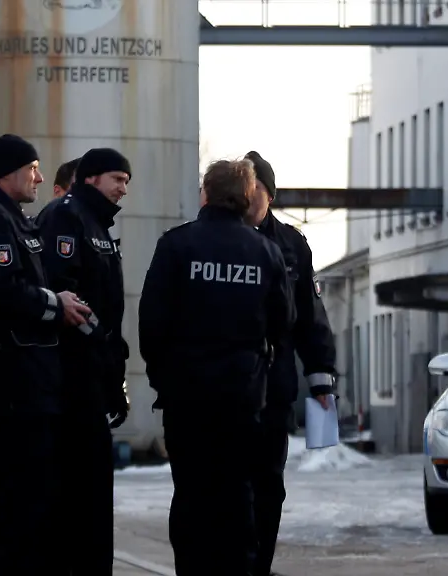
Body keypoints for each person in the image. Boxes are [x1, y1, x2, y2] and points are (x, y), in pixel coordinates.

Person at [138, 158, 294, 576]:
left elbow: (151, 322)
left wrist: (163, 378)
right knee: (237, 496)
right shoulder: (265, 251)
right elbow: (283, 322)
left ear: (206, 193)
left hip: (186, 398)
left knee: (191, 495)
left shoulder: (177, 246)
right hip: (242, 399)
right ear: (246, 197)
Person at [0, 134, 91, 575]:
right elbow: (1, 289)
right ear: (8, 172)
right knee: (9, 507)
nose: (40, 177)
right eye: (32, 168)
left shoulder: (14, 220)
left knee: (30, 507)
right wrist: (56, 304)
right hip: (9, 388)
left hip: (30, 387)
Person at [35, 147, 132, 575]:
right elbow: (65, 295)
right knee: (73, 499)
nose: (123, 189)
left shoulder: (98, 225)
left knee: (94, 498)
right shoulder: (65, 217)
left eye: (126, 182)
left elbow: (109, 313)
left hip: (92, 378)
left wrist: (114, 377)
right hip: (69, 382)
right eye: (118, 179)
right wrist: (99, 347)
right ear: (91, 178)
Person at [242, 150, 338, 576]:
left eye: (255, 189)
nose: (247, 197)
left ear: (270, 194)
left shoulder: (292, 245)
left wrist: (321, 379)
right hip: (228, 386)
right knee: (233, 487)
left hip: (274, 387)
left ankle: (259, 564)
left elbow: (311, 318)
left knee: (269, 486)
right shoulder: (217, 238)